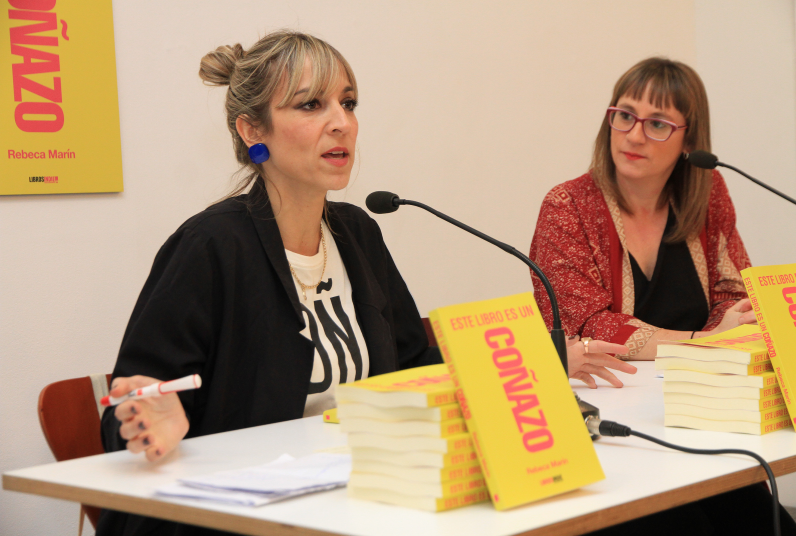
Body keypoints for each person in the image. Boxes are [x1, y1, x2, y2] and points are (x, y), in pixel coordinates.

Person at [97, 30, 627, 536]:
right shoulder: (211, 246)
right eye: (311, 105)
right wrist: (152, 419)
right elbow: (135, 408)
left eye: (347, 103)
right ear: (252, 132)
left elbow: (416, 366)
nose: (341, 123)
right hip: (243, 516)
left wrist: (540, 358)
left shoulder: (356, 232)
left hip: (363, 496)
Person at [530, 57, 796, 536]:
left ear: (689, 142)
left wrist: (724, 327)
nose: (634, 135)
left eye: (657, 124)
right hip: (612, 421)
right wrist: (707, 338)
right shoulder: (567, 205)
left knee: (769, 525)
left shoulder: (708, 192)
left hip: (695, 409)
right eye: (625, 115)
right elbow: (592, 325)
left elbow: (734, 291)